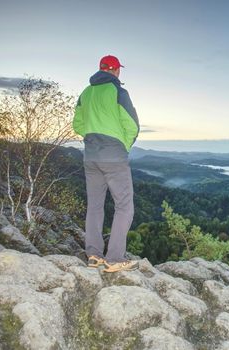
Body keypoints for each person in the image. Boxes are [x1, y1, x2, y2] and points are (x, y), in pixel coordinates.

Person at [73, 55, 140, 273]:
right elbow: (132, 125)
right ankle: (114, 259)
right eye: (119, 69)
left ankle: (93, 255)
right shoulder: (119, 92)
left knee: (94, 206)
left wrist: (93, 139)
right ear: (115, 70)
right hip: (114, 155)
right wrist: (124, 146)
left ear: (101, 68)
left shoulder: (86, 93)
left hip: (90, 156)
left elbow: (78, 124)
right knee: (124, 206)